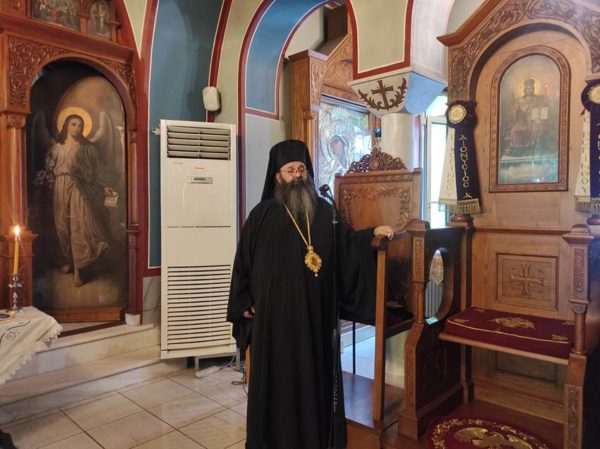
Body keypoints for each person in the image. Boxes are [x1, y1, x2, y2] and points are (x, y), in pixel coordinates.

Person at [227, 139, 394, 449]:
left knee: (313, 378)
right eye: (290, 170)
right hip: (272, 323)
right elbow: (243, 264)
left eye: (302, 169)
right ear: (277, 176)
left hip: (314, 319)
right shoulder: (260, 216)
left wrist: (371, 235)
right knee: (275, 383)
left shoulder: (325, 212)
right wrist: (243, 299)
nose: (298, 176)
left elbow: (347, 246)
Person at [44, 113, 115, 286]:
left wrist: (104, 186)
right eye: (73, 124)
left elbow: (96, 170)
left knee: (78, 226)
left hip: (78, 187)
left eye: (80, 125)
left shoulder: (87, 148)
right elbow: (49, 168)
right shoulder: (57, 147)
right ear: (66, 126)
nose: (77, 128)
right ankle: (69, 260)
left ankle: (79, 269)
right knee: (62, 226)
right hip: (60, 186)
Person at [508, 78, 549, 156]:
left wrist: (538, 118)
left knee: (534, 129)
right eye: (527, 88)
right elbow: (513, 113)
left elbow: (542, 109)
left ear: (533, 89)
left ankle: (532, 149)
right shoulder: (519, 100)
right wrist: (515, 111)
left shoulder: (538, 99)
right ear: (525, 89)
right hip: (522, 120)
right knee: (514, 130)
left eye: (530, 88)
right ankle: (519, 150)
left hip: (534, 120)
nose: (529, 90)